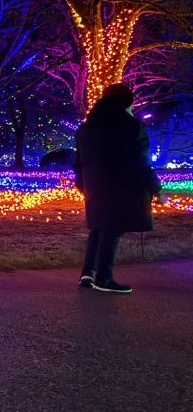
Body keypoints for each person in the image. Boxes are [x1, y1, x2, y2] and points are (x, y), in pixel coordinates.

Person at [74, 83, 160, 294]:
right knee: (113, 228)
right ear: (126, 103)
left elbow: (78, 161)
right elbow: (141, 159)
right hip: (123, 184)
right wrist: (154, 186)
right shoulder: (130, 125)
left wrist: (82, 184)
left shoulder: (87, 127)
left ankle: (87, 273)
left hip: (95, 185)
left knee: (99, 227)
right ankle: (104, 278)